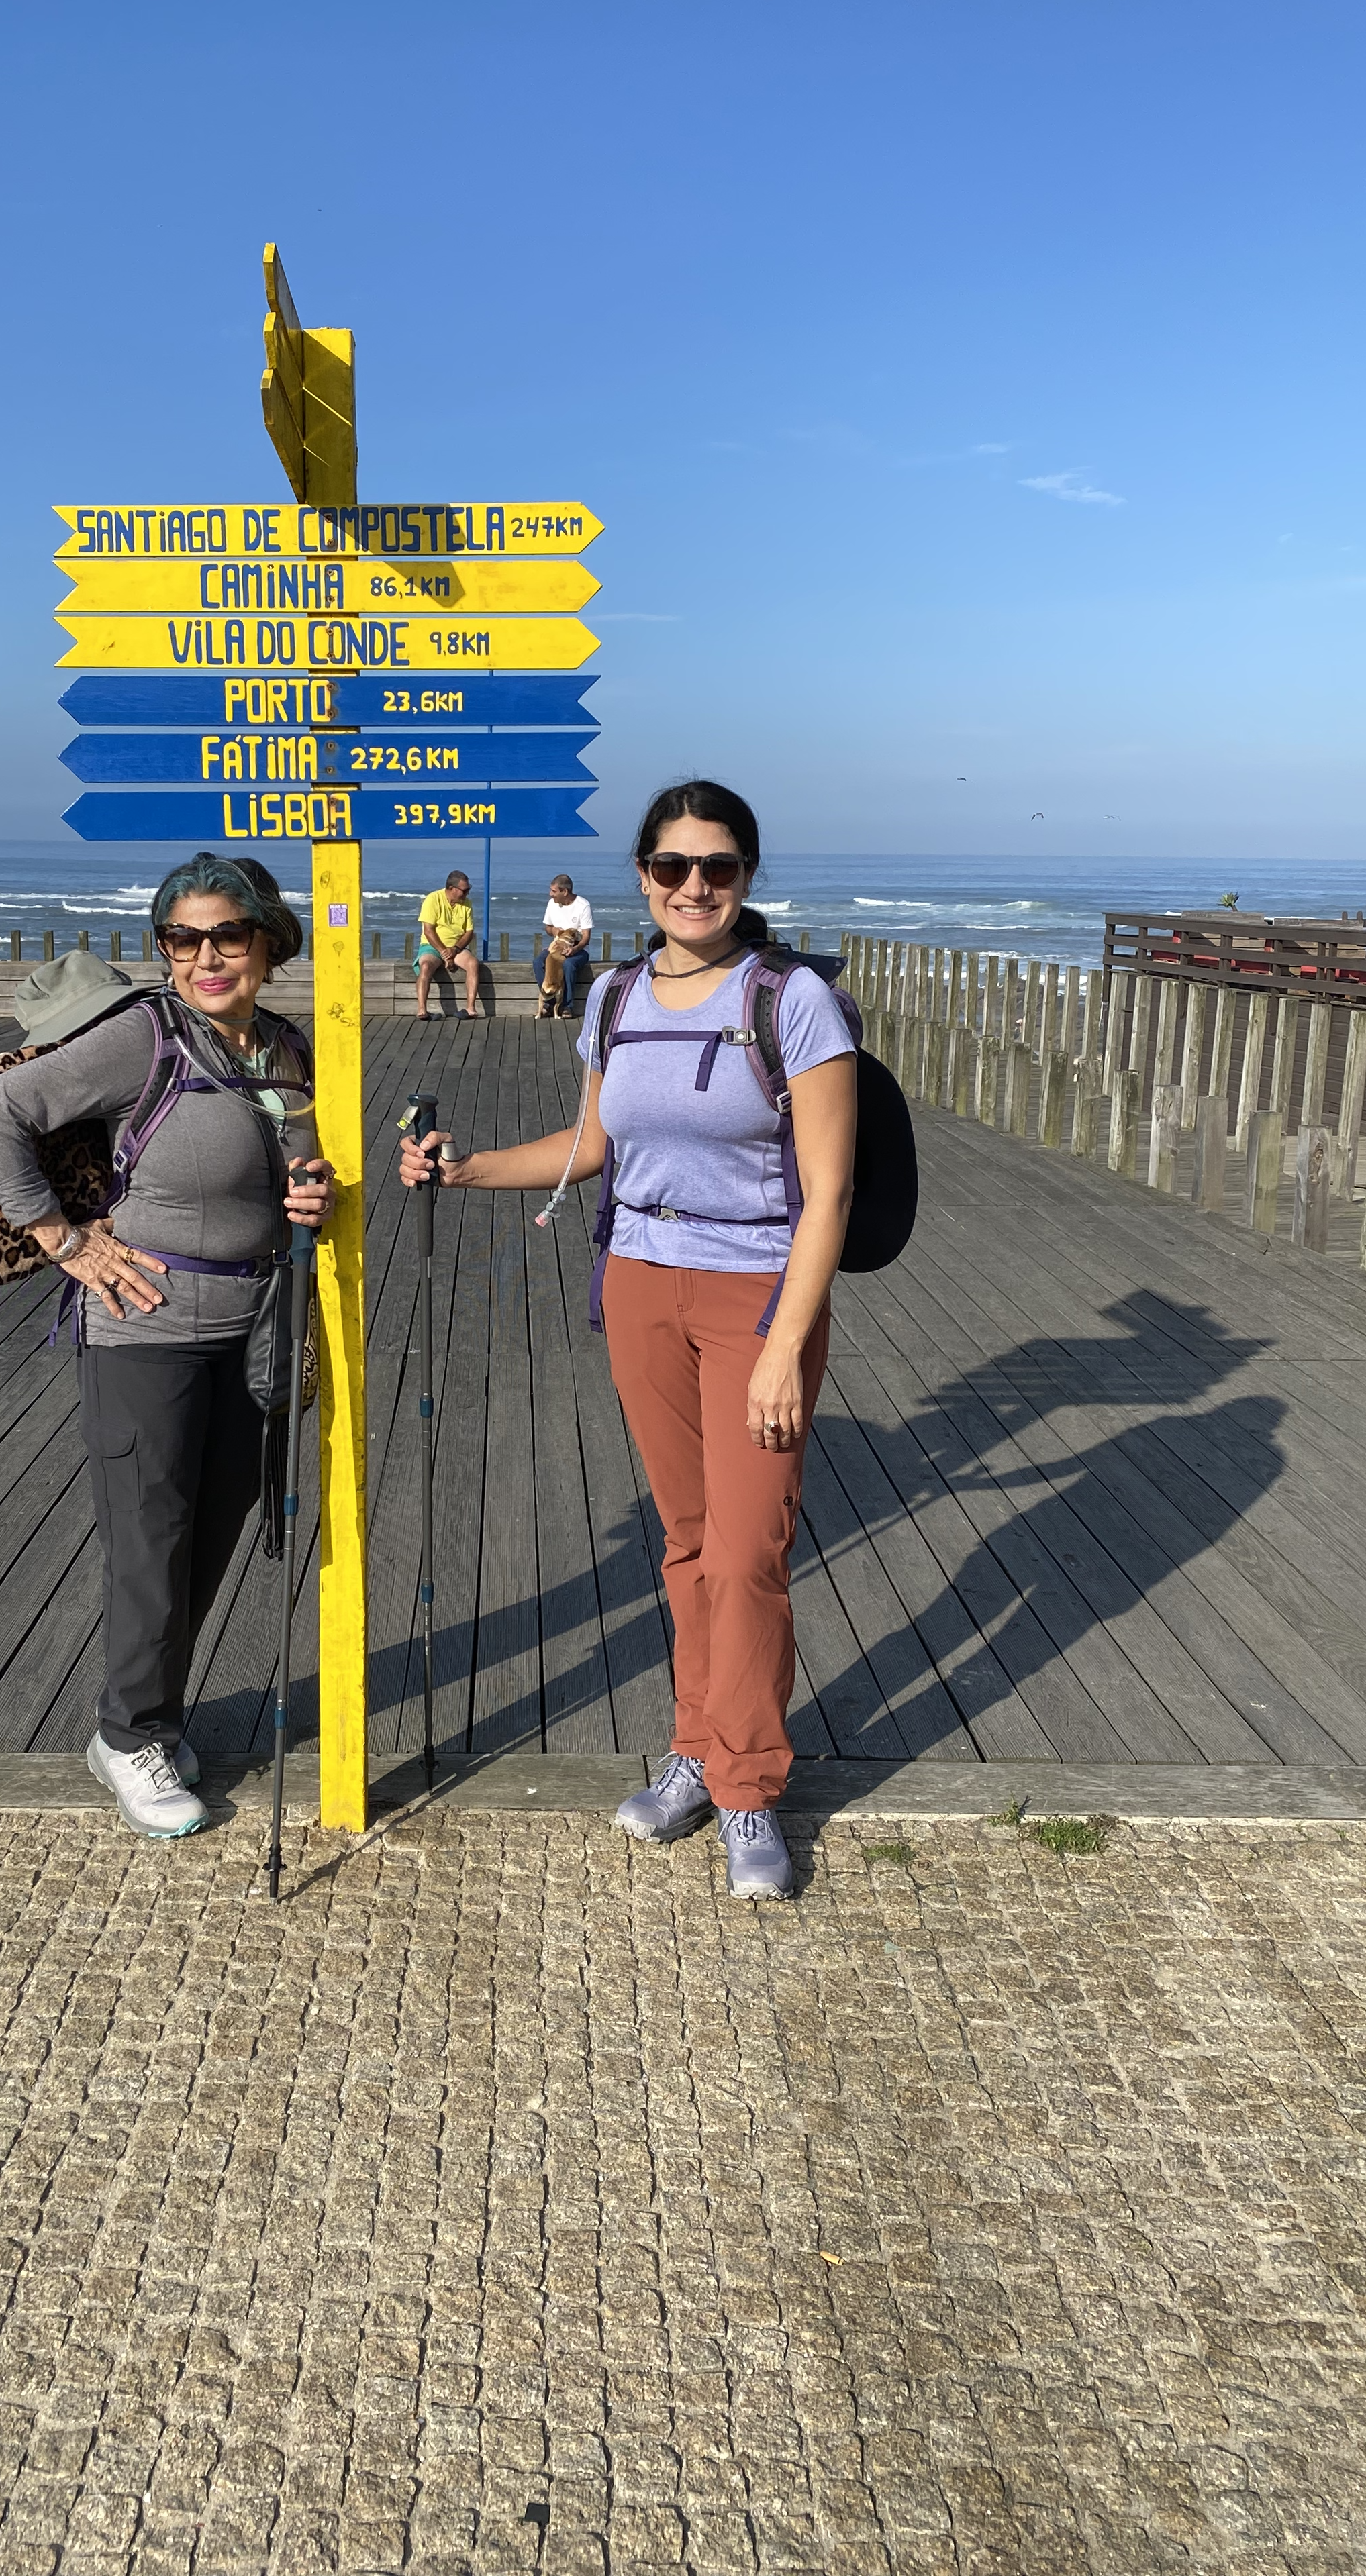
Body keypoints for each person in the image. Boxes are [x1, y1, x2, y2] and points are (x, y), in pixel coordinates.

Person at [399, 783, 855, 1900]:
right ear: (639, 875)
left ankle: (748, 1787)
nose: (693, 886)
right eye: (670, 866)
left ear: (746, 875)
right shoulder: (611, 993)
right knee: (687, 1541)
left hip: (756, 1287)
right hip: (640, 1284)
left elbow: (830, 1192)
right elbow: (590, 1144)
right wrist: (462, 1171)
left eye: (718, 867)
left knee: (748, 1551)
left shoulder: (790, 1000)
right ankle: (694, 1749)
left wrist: (782, 1350)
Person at [0, 856, 334, 1841]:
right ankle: (125, 1736)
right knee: (151, 1540)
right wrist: (62, 1238)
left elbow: (294, 1164)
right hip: (146, 1330)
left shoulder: (287, 1047)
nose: (207, 957)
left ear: (267, 942)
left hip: (254, 1327)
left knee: (210, 1534)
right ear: (163, 951)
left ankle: (154, 1716)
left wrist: (314, 1189)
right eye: (183, 940)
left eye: (228, 936)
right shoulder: (144, 1037)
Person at [416, 869, 481, 1018]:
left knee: (472, 963)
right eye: (464, 891)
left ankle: (470, 1008)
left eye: (468, 890)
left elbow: (469, 932)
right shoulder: (433, 899)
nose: (467, 894)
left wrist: (456, 949)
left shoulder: (467, 904)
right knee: (425, 966)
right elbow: (428, 931)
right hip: (433, 946)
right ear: (452, 889)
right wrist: (445, 953)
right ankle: (422, 1010)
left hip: (456, 948)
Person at [536, 871, 594, 1017]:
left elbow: (586, 937)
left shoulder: (583, 905)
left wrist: (574, 949)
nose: (551, 894)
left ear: (565, 892)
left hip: (578, 949)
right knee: (538, 962)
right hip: (557, 947)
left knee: (569, 965)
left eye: (554, 891)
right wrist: (553, 930)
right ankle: (548, 1002)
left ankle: (567, 1006)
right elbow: (548, 927)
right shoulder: (552, 904)